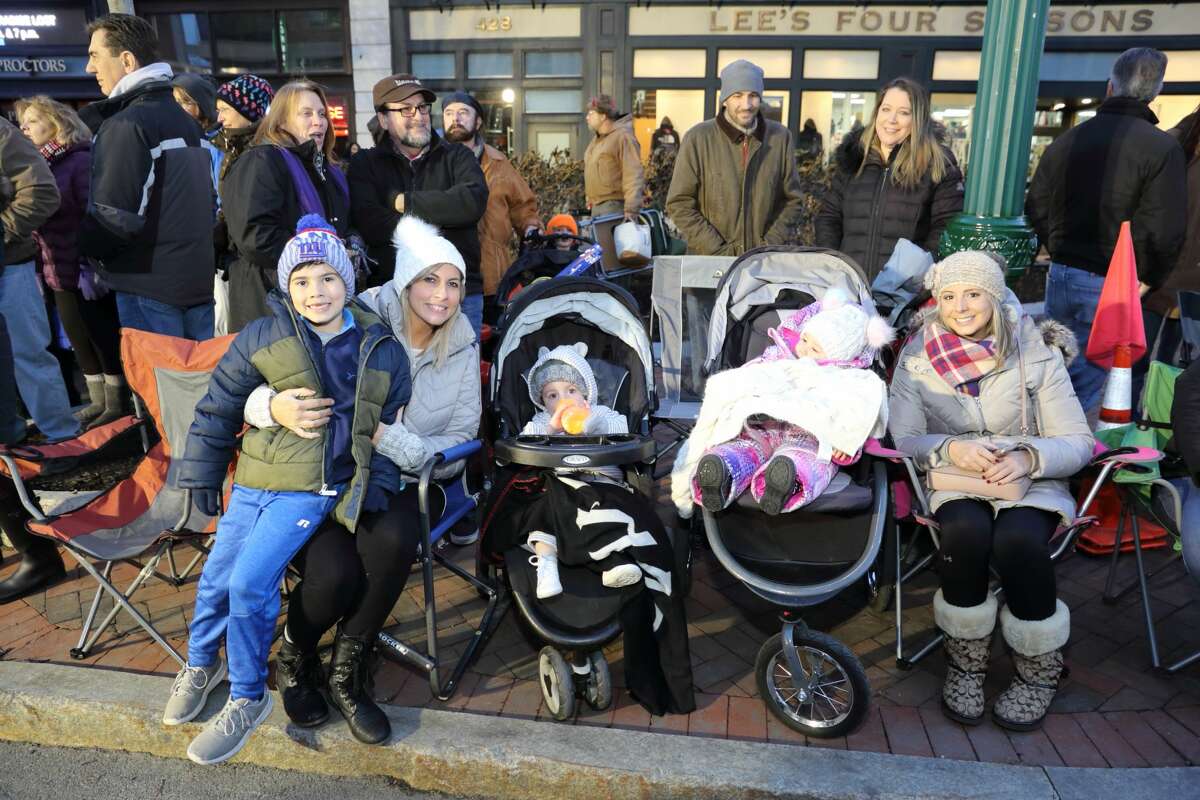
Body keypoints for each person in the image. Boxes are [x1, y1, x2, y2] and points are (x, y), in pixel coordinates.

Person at [164, 215, 410, 764]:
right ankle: (203, 662)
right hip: (254, 477)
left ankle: (249, 698)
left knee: (251, 585)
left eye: (327, 278)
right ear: (285, 287)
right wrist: (202, 473)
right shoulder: (263, 333)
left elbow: (382, 426)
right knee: (216, 579)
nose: (315, 292)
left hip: (310, 488)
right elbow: (220, 402)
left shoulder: (377, 346)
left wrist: (372, 482)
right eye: (301, 281)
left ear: (348, 280)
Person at [239, 214, 479, 744]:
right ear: (406, 281)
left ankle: (347, 671)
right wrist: (273, 406)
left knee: (393, 540)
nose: (441, 296)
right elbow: (253, 380)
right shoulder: (354, 309)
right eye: (429, 280)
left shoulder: (463, 343)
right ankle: (296, 655)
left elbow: (462, 438)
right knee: (335, 574)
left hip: (410, 479)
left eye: (453, 283)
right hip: (325, 470)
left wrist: (394, 443)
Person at [889, 251, 1092, 731]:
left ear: (996, 297)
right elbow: (905, 439)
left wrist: (1030, 457)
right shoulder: (917, 358)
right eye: (950, 296)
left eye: (974, 294)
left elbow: (1078, 440)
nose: (960, 307)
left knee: (1018, 540)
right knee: (964, 533)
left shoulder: (1035, 351)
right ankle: (966, 663)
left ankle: (1038, 672)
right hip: (957, 478)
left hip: (1032, 481)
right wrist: (950, 448)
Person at [1027, 48, 1187, 414]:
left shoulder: (1069, 139)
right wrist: (1146, 276)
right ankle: (1059, 452)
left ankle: (1046, 441)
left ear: (1110, 86)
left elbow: (1036, 203)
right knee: (1090, 380)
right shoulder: (1161, 148)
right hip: (1114, 279)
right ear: (1155, 92)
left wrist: (1058, 246)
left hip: (1064, 271)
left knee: (1059, 366)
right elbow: (1164, 226)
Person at [690, 291, 892, 515]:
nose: (804, 349)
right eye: (805, 339)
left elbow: (854, 415)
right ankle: (721, 471)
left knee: (808, 461)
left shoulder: (844, 379)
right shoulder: (778, 357)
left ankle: (783, 484)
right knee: (743, 448)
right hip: (760, 429)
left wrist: (844, 445)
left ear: (838, 357)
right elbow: (749, 377)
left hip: (811, 440)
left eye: (815, 349)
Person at [79, 13, 215, 340]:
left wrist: (81, 249)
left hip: (147, 287)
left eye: (95, 55)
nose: (89, 67)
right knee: (197, 387)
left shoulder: (129, 124)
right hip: (191, 283)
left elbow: (115, 218)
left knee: (158, 389)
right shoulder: (183, 120)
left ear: (126, 60)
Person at [16, 96, 125, 430]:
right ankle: (97, 401)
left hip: (82, 267)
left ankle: (118, 402)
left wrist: (90, 263)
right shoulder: (39, 163)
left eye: (32, 121)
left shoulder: (79, 160)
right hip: (55, 268)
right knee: (78, 336)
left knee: (101, 333)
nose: (24, 128)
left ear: (56, 122)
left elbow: (90, 215)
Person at [349, 74, 488, 334]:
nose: (419, 116)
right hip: (391, 295)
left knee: (459, 374)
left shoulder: (457, 156)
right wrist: (443, 215)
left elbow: (471, 203)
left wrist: (403, 202)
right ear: (383, 119)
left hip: (458, 296)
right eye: (406, 109)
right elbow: (370, 222)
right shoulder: (365, 164)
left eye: (423, 107)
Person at [222, 80, 349, 332]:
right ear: (280, 121)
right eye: (307, 113)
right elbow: (254, 235)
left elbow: (342, 224)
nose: (319, 121)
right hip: (269, 306)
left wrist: (351, 244)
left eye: (322, 114)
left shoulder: (327, 169)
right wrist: (318, 255)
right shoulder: (262, 160)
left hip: (315, 305)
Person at [815, 77, 964, 280]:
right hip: (849, 289)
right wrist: (834, 270)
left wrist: (917, 280)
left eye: (903, 113)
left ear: (917, 119)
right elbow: (829, 218)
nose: (891, 119)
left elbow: (946, 229)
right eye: (886, 109)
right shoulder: (855, 159)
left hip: (905, 297)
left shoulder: (937, 164)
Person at [666, 59, 803, 257]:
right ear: (725, 99)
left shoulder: (780, 138)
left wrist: (769, 244)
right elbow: (679, 202)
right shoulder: (698, 138)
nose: (746, 105)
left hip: (762, 263)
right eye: (737, 95)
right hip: (709, 263)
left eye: (753, 96)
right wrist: (717, 248)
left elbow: (793, 200)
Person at [0, 117, 77, 444]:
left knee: (28, 352)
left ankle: (61, 437)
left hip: (9, 264)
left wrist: (2, 230)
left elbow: (43, 192)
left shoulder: (2, 134)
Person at [441, 91, 539, 304]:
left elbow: (524, 206)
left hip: (492, 274)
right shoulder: (433, 162)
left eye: (463, 113)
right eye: (448, 113)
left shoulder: (498, 163)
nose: (455, 119)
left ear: (477, 122)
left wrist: (531, 228)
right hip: (444, 274)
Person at [211, 74, 275, 337]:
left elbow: (251, 222)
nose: (219, 118)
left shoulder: (259, 155)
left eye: (225, 110)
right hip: (241, 268)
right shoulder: (235, 149)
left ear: (249, 110)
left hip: (258, 276)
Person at [583, 95, 644, 271]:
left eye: (591, 113)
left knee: (613, 267)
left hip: (615, 209)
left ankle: (619, 297)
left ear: (603, 116)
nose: (587, 117)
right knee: (601, 266)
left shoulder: (622, 137)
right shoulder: (597, 140)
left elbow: (633, 174)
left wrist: (631, 211)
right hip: (599, 208)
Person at [172, 72, 222, 190]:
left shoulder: (218, 143)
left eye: (186, 102)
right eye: (175, 102)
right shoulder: (173, 136)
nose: (178, 108)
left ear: (204, 105)